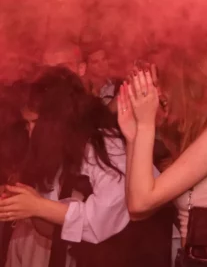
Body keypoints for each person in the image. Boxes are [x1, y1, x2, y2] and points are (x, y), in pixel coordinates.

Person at [118, 52, 207, 264]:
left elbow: (140, 203)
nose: (162, 95)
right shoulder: (202, 137)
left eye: (167, 88)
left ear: (189, 92)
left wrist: (146, 125)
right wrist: (133, 136)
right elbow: (136, 211)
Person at [1, 68, 131, 267]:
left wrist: (38, 206)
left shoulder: (103, 145)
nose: (31, 132)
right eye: (27, 125)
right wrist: (23, 203)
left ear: (56, 119)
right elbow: (54, 228)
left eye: (35, 122)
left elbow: (102, 221)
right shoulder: (57, 148)